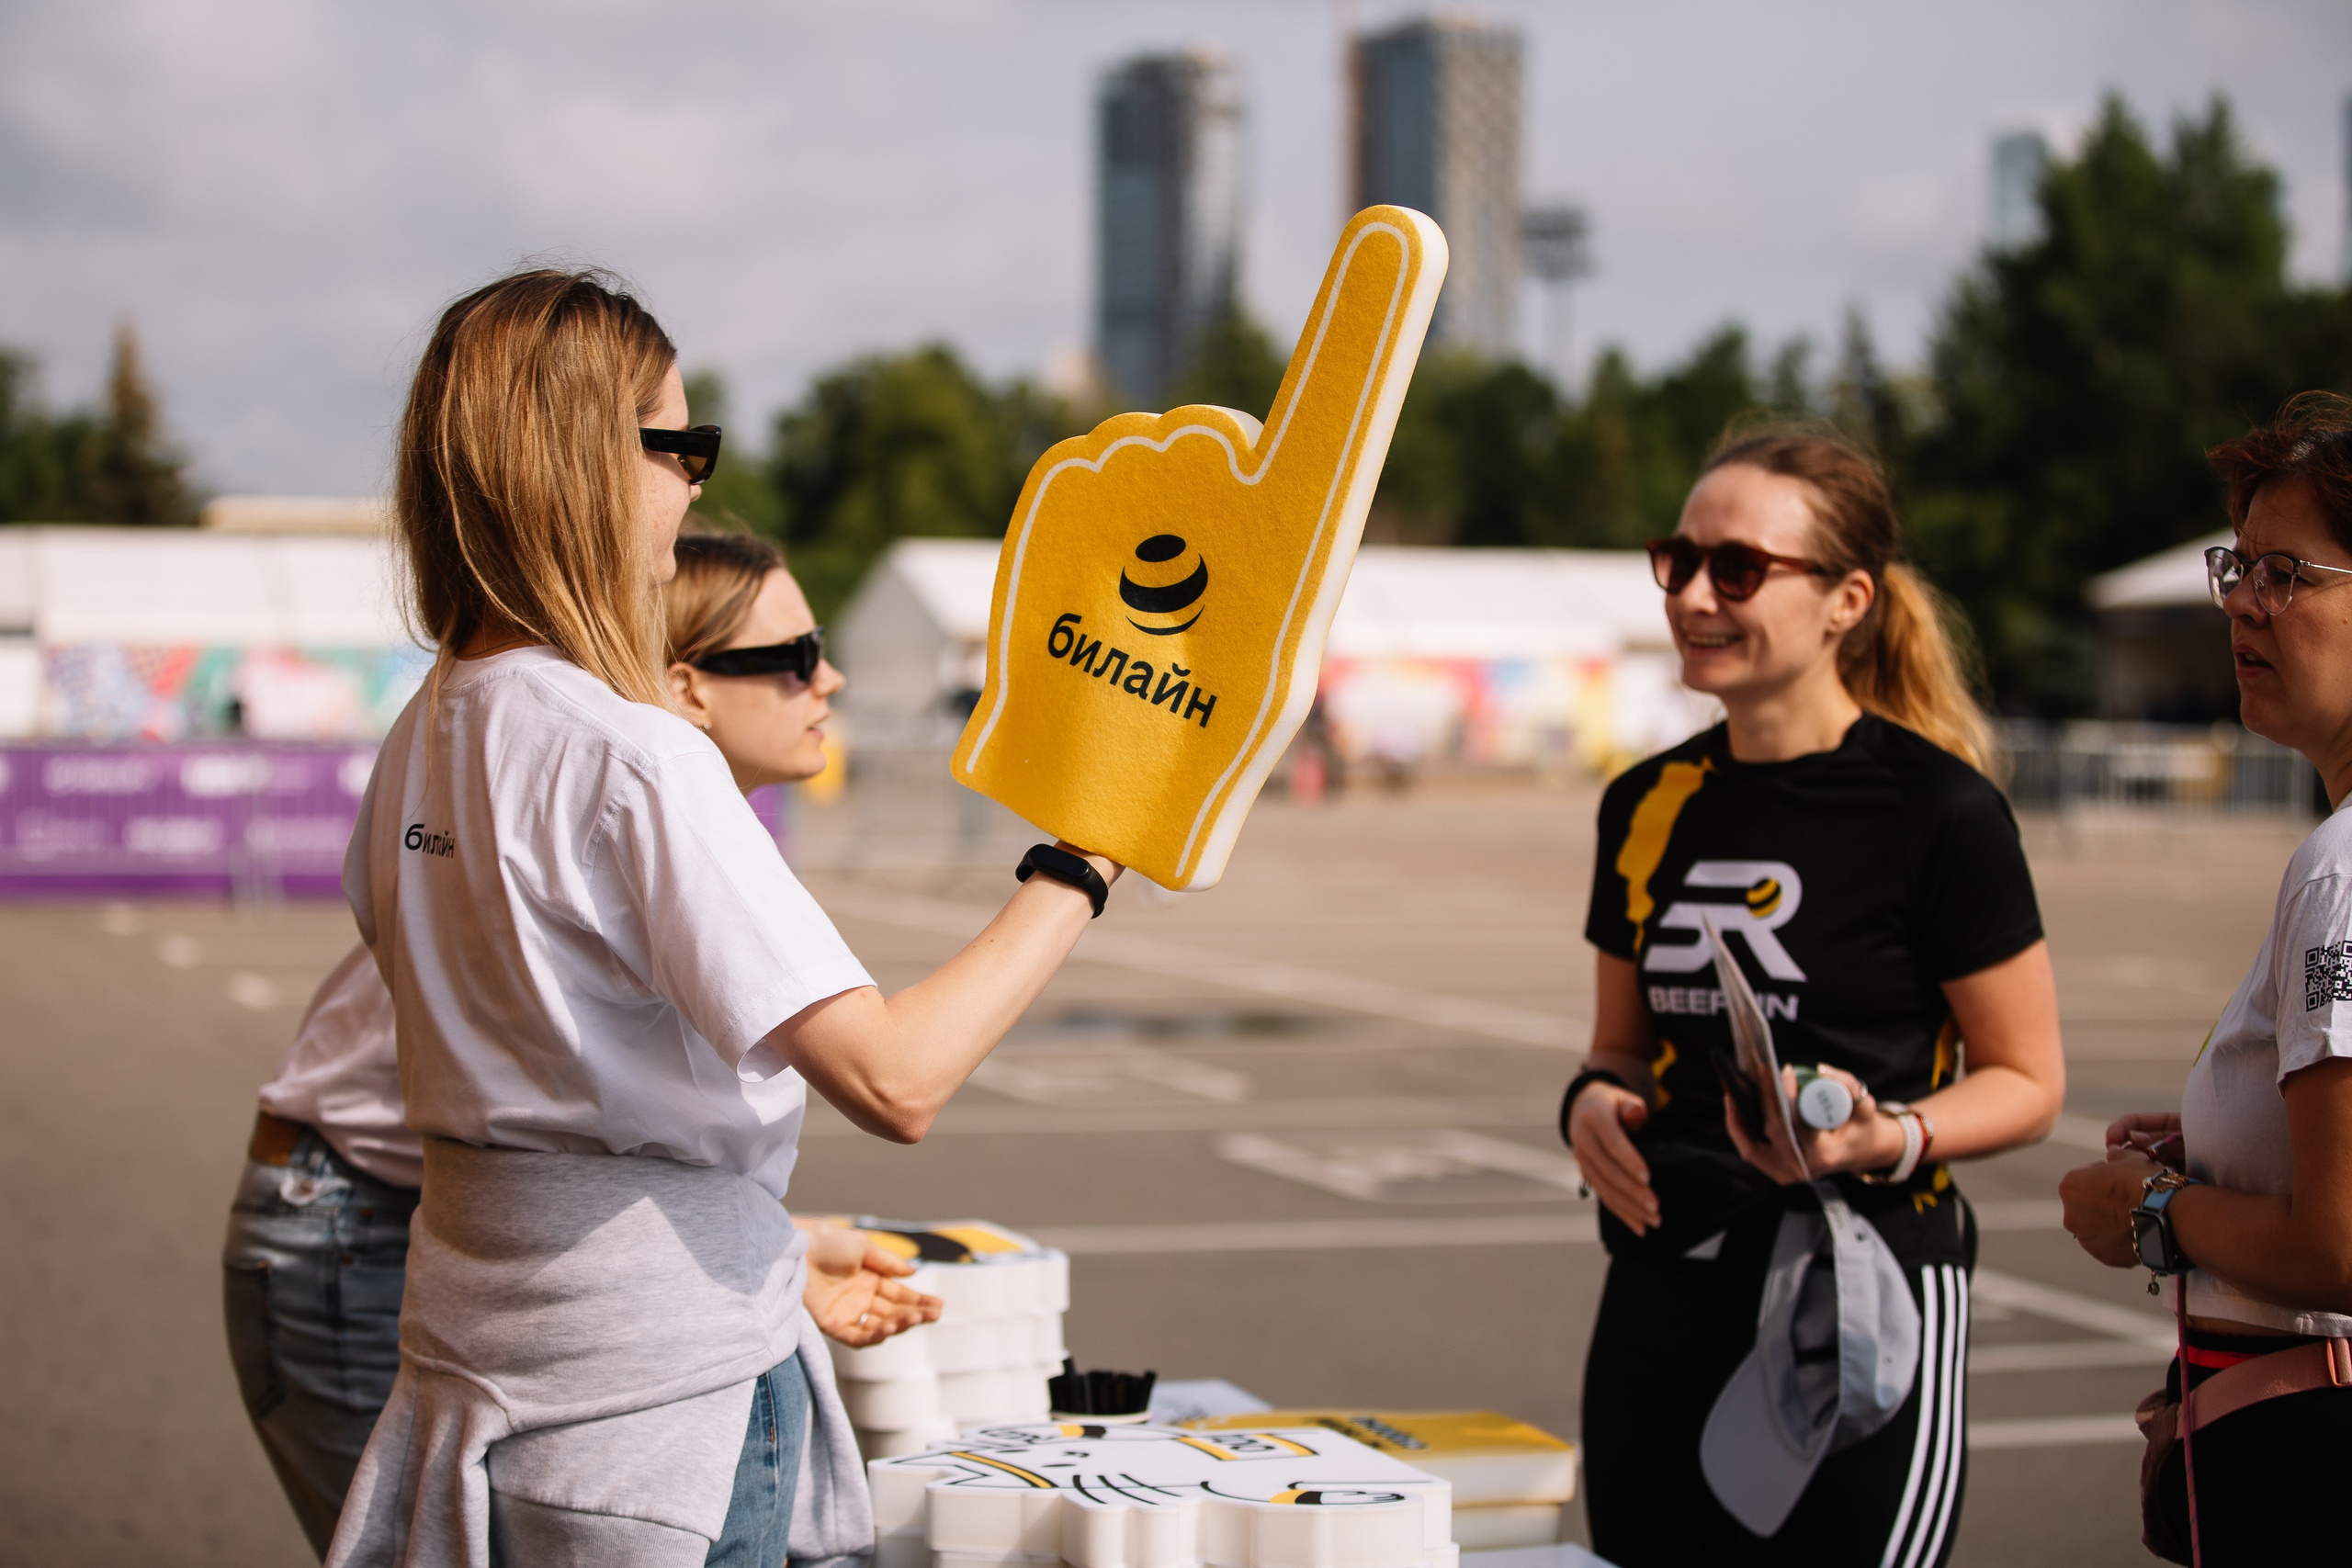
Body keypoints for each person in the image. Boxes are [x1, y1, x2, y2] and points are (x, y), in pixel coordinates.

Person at [322, 265, 1123, 1568]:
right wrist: (1084, 860)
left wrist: (767, 1241)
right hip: (656, 1411)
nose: (695, 482)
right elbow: (897, 1075)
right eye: (678, 444)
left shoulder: (424, 731)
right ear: (579, 461)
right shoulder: (630, 751)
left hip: (488, 1365)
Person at [221, 531, 939, 1558]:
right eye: (789, 657)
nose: (827, 677)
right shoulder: (603, 786)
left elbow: (607, 1146)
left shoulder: (596, 786)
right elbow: (886, 1078)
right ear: (685, 686)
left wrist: (764, 1253)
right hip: (358, 1214)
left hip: (445, 1232)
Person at [1564, 424, 2066, 1568]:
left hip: (1862, 1288)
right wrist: (1587, 1109)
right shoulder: (1642, 805)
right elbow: (1616, 1051)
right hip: (1662, 1288)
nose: (1692, 593)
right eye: (1676, 558)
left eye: (1736, 568)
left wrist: (1889, 1136)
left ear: (1846, 600)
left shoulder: (1938, 812)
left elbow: (2030, 1083)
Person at [2058, 393, 2352, 1566]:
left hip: (2308, 1465)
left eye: (2289, 573)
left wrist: (2151, 1215)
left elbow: (2339, 1245)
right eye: (2238, 565)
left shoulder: (2339, 874)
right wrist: (2226, 1148)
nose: (2240, 599)